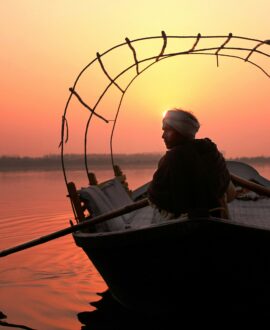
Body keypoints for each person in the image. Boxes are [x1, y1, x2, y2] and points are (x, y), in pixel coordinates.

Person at [147, 108, 236, 219]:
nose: (163, 136)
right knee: (226, 190)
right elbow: (231, 194)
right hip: (216, 215)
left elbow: (154, 197)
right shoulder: (210, 150)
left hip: (184, 222)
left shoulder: (170, 159)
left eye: (167, 131)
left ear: (180, 132)